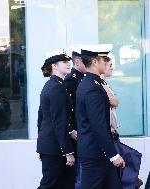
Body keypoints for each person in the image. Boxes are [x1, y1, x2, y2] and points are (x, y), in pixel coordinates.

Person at [76, 44, 125, 189]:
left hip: (98, 152)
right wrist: (113, 155)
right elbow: (98, 125)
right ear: (95, 62)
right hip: (95, 154)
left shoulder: (92, 83)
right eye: (104, 59)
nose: (107, 62)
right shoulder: (92, 87)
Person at [101, 57, 143, 189]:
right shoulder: (100, 84)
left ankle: (131, 183)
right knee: (129, 157)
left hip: (112, 131)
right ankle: (130, 183)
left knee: (128, 159)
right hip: (107, 132)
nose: (112, 68)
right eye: (110, 65)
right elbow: (113, 102)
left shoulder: (105, 83)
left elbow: (115, 103)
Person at [37, 49, 75, 189]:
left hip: (50, 145)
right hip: (55, 147)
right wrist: (67, 152)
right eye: (64, 62)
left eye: (68, 61)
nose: (68, 64)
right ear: (54, 66)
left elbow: (41, 118)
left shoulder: (54, 85)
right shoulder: (56, 87)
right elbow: (59, 122)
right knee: (50, 185)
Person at [64, 48, 86, 189]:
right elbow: (66, 110)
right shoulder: (71, 80)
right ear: (77, 61)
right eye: (86, 61)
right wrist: (71, 130)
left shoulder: (81, 78)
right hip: (76, 135)